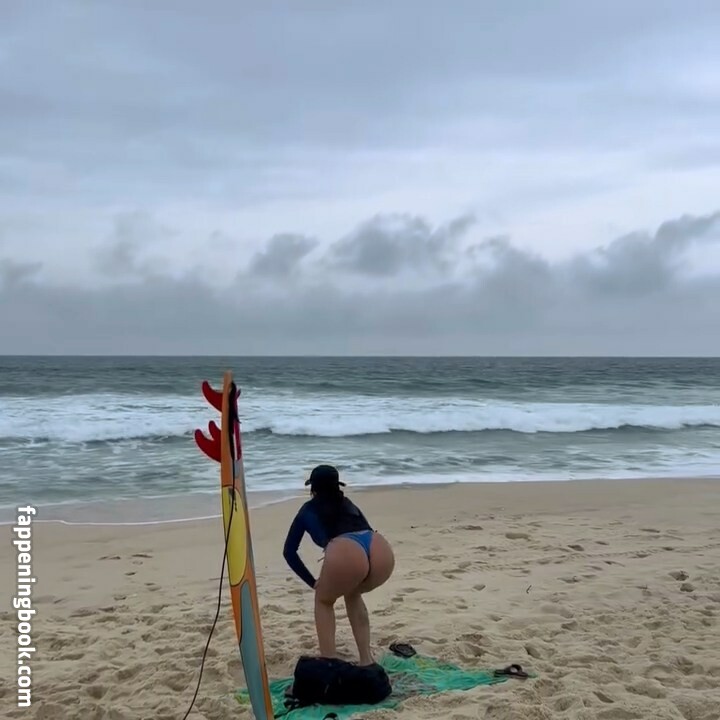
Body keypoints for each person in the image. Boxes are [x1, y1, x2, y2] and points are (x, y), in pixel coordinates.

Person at [283, 464, 395, 666]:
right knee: (353, 593)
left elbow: (289, 552)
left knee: (323, 600)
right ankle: (366, 659)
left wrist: (312, 582)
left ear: (313, 489)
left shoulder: (308, 509)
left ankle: (329, 661)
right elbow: (363, 529)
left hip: (347, 551)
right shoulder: (348, 503)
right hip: (379, 549)